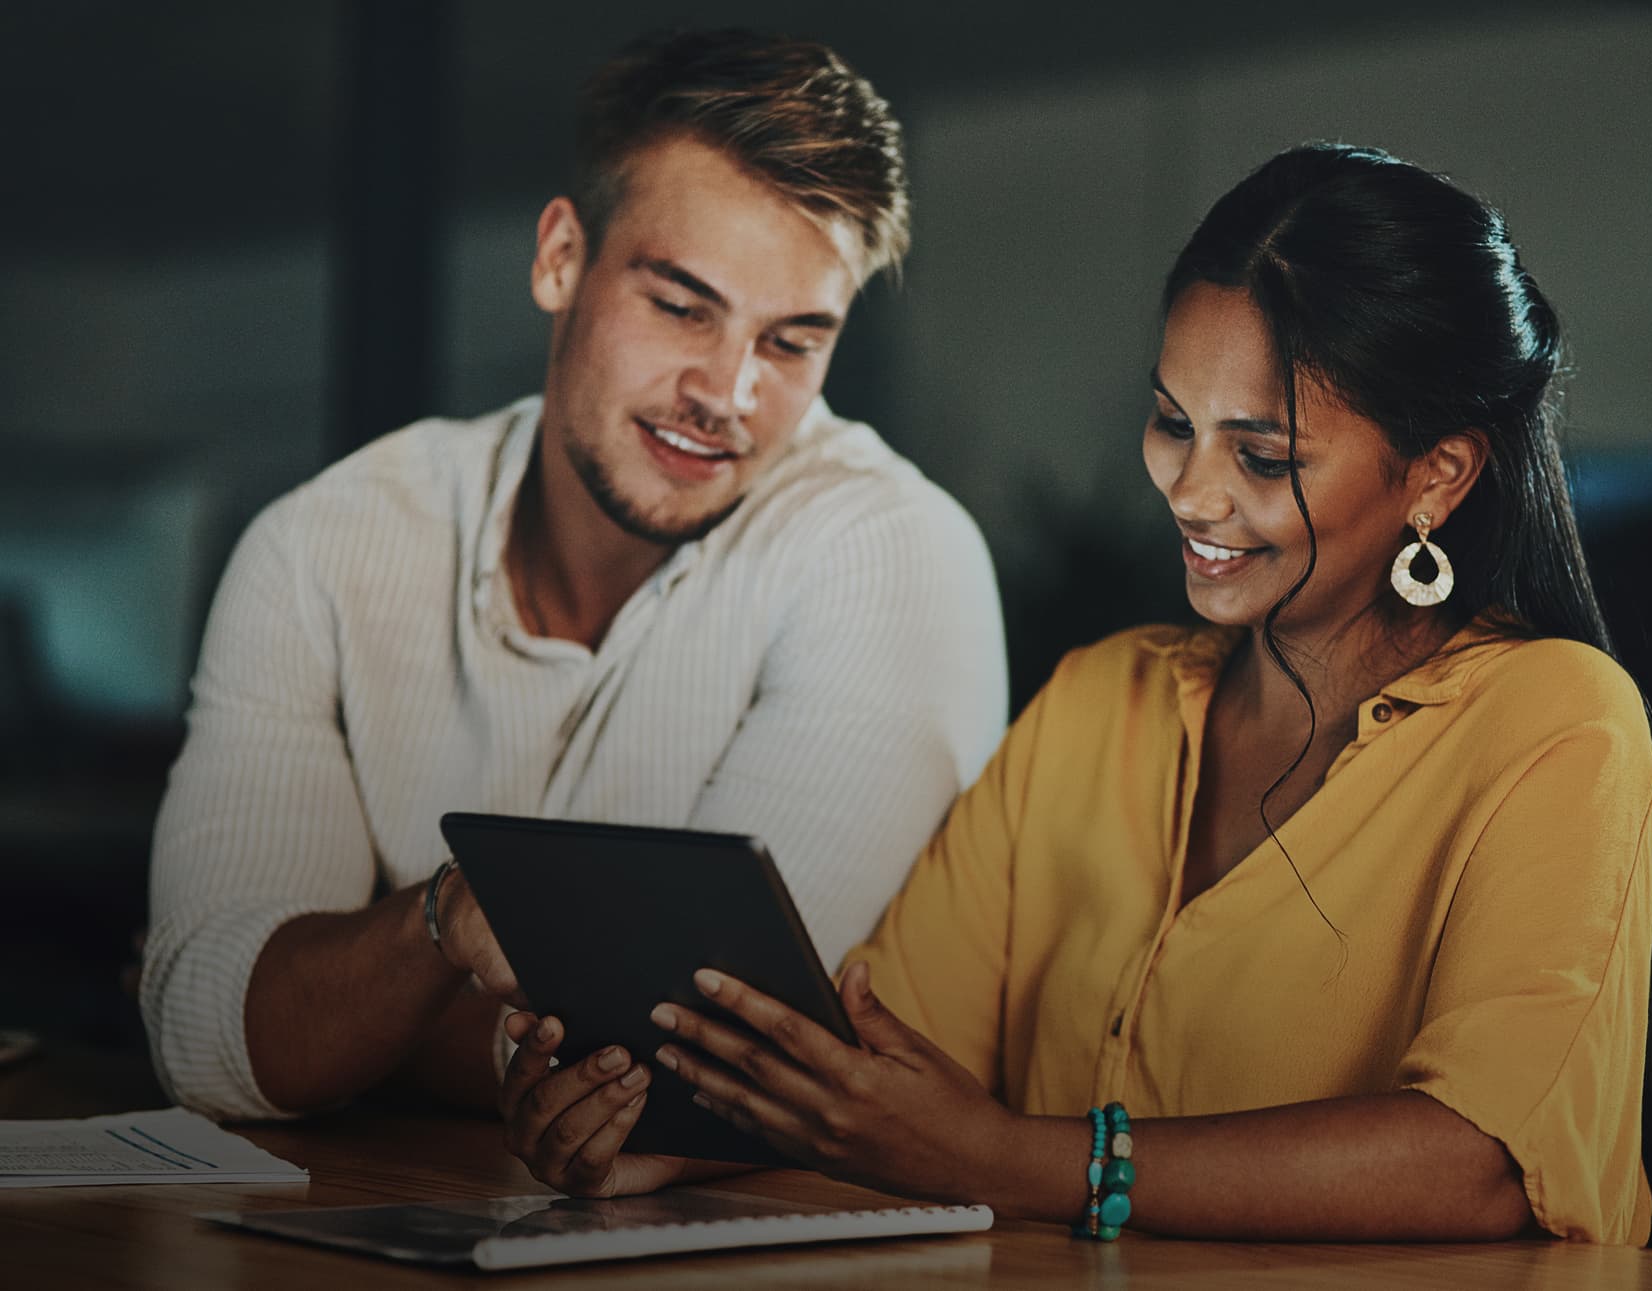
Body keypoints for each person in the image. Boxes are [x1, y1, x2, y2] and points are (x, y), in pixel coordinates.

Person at [497, 143, 1652, 1245]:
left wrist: (1015, 1161)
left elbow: (1482, 1164)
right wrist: (660, 1140)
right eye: (1172, 425)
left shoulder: (1558, 720)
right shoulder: (1101, 702)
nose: (1193, 493)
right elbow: (879, 1072)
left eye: (1263, 456)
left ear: (1438, 475)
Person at [140, 30, 1007, 1123]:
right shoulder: (324, 546)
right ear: (560, 258)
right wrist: (444, 922)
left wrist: (357, 1000)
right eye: (682, 305)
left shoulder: (891, 552)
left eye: (790, 342)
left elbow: (695, 1065)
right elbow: (211, 1047)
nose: (728, 393)